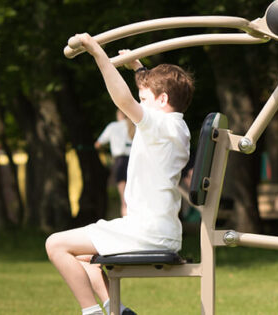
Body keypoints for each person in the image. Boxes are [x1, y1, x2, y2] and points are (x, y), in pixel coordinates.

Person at [46, 33, 194, 315]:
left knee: (55, 245)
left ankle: (91, 313)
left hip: (148, 233)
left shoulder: (161, 126)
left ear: (162, 99)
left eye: (144, 98)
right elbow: (145, 95)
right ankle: (118, 310)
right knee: (86, 258)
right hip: (154, 230)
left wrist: (97, 53)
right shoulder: (175, 126)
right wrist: (139, 68)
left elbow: (124, 101)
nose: (139, 103)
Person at [95, 109, 134, 216]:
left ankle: (127, 224)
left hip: (120, 162)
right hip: (134, 162)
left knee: (124, 200)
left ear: (119, 115)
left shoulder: (113, 127)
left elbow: (98, 143)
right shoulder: (134, 126)